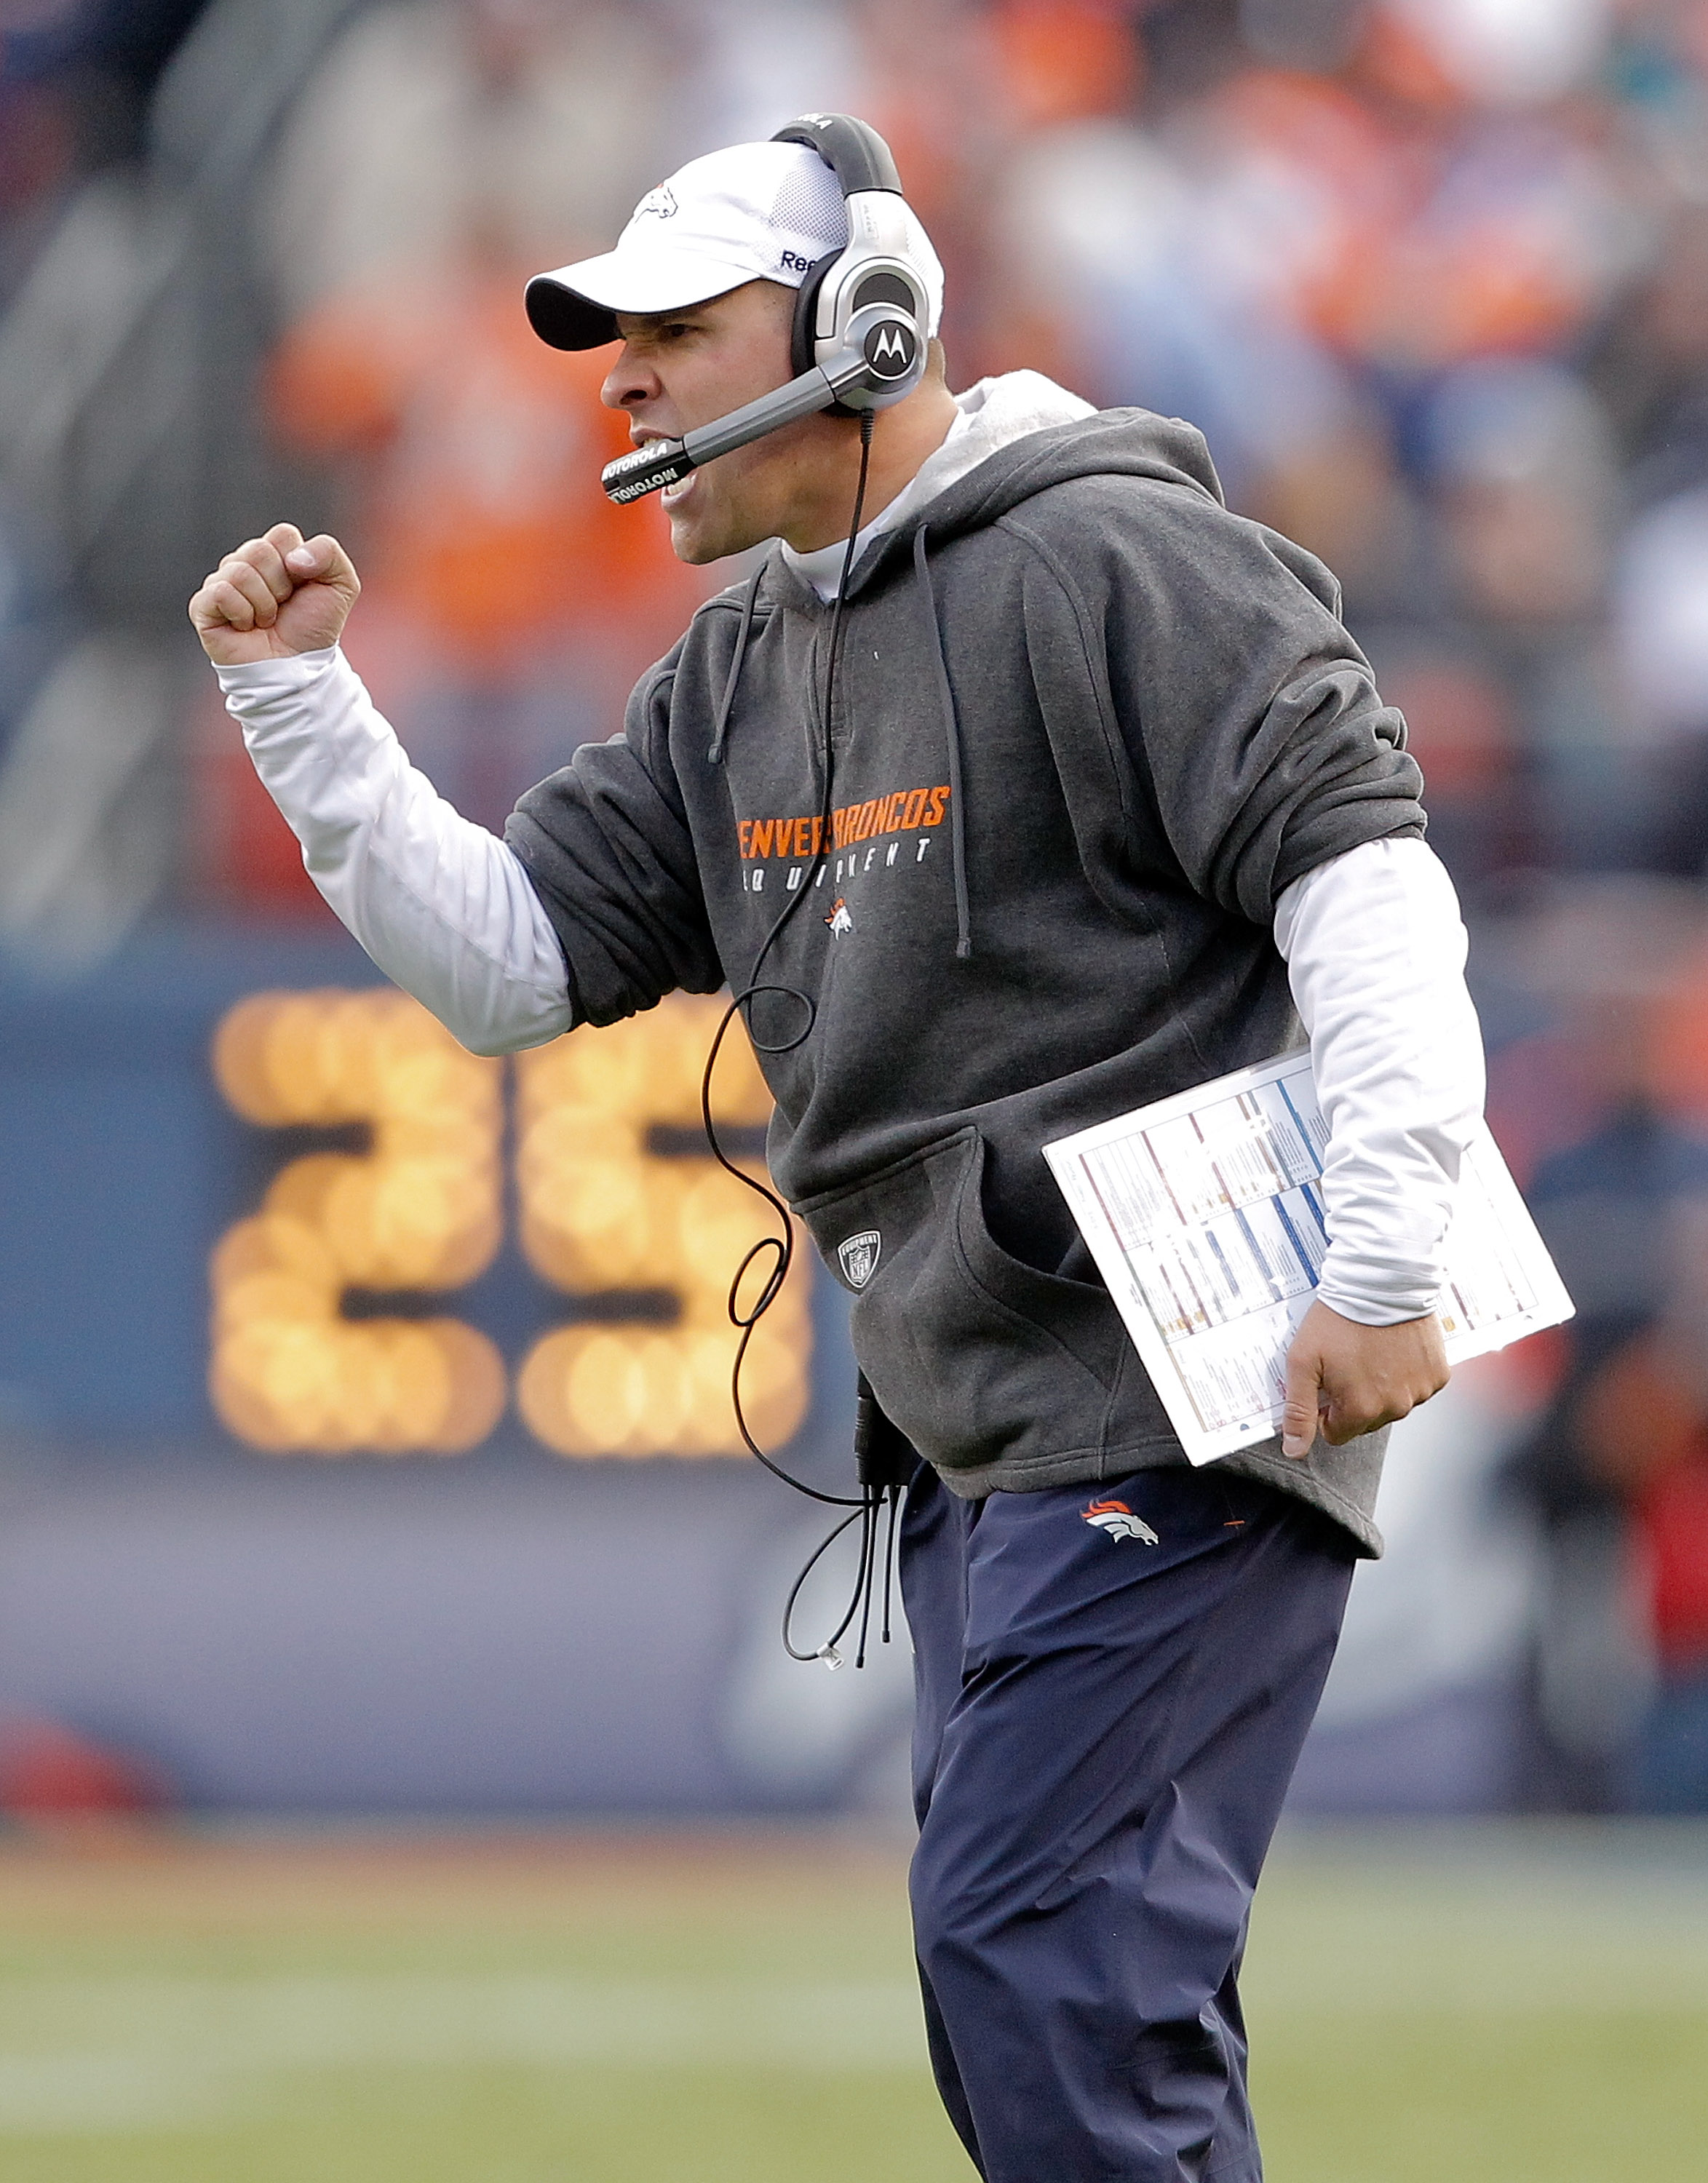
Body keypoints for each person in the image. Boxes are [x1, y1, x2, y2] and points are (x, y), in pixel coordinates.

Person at [190, 120, 1484, 2183]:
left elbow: (1366, 885)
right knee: (1038, 1996)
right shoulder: (739, 665)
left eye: (673, 333)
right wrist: (304, 714)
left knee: (1039, 1957)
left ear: (862, 325)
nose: (619, 379)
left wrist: (1388, 1258)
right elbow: (517, 970)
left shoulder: (1114, 560)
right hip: (981, 1434)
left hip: (1179, 1390)